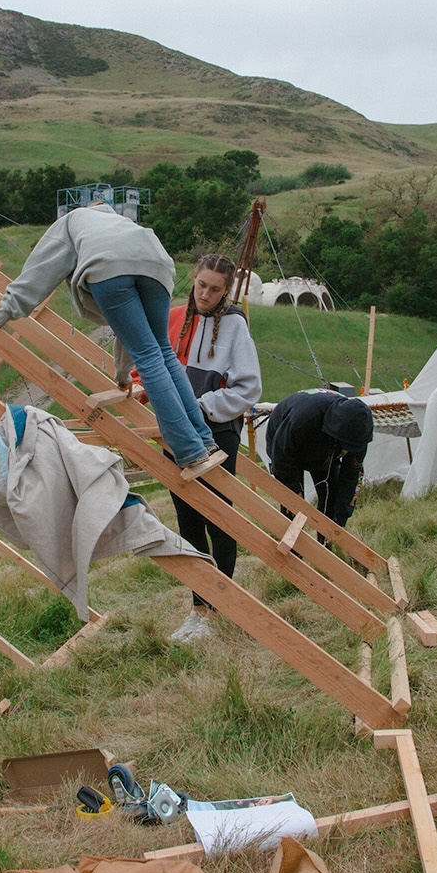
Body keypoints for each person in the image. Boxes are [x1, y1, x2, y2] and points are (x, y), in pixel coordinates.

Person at [0, 197, 222, 476]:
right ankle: (205, 440)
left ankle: (189, 450)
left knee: (148, 355)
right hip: (157, 264)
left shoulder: (73, 221)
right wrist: (123, 375)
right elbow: (130, 332)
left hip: (108, 267)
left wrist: (4, 312)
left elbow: (41, 269)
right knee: (163, 351)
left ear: (87, 208)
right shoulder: (121, 223)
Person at [161, 254, 263, 644]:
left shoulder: (235, 325)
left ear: (226, 291)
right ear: (195, 279)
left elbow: (249, 387)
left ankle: (218, 609)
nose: (205, 294)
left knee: (219, 520)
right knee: (188, 523)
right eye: (201, 285)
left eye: (215, 289)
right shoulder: (179, 317)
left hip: (216, 433)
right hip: (175, 434)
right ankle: (198, 610)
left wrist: (200, 407)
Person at [264, 389, 374, 528]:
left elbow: (351, 477)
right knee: (293, 504)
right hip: (285, 440)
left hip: (325, 446)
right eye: (345, 446)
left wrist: (340, 518)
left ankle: (326, 538)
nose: (347, 451)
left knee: (331, 497)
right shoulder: (304, 417)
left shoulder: (359, 435)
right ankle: (291, 539)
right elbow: (281, 457)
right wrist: (293, 490)